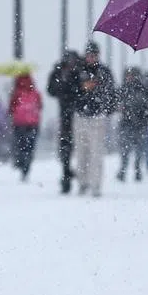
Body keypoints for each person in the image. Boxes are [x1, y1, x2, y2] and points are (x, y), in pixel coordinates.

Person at [73, 42, 115, 197]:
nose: (91, 58)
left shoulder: (104, 72)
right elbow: (70, 91)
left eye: (94, 55)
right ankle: (83, 182)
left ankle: (96, 184)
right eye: (89, 55)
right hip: (80, 116)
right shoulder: (78, 71)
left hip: (97, 117)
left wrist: (99, 96)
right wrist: (81, 90)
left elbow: (111, 93)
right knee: (81, 152)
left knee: (96, 152)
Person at [48, 50, 83, 194]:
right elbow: (51, 90)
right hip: (66, 115)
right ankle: (66, 173)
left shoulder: (81, 71)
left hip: (80, 113)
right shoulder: (58, 72)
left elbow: (82, 90)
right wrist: (63, 83)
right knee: (66, 147)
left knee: (81, 146)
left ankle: (80, 175)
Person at [116, 67, 148, 182]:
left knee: (137, 149)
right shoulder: (124, 89)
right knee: (125, 149)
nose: (129, 78)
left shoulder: (141, 89)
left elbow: (145, 105)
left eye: (131, 75)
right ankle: (124, 169)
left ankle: (136, 169)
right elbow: (117, 103)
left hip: (138, 123)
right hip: (127, 123)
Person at [8, 72, 43, 181]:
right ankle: (26, 168)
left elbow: (10, 109)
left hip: (19, 124)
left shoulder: (16, 93)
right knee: (29, 147)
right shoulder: (35, 93)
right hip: (33, 124)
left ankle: (21, 163)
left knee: (20, 146)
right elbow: (40, 106)